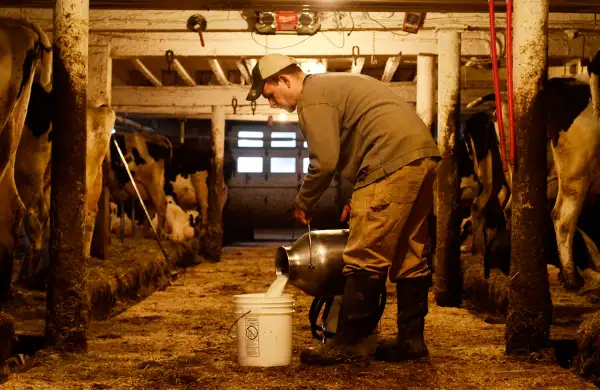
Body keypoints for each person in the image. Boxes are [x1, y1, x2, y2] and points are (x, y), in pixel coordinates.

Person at [246, 53, 441, 365]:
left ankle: (348, 344)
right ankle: (411, 342)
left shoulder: (311, 99)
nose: (272, 103)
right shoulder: (333, 87)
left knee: (365, 255)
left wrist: (304, 201)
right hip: (420, 157)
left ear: (283, 79)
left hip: (390, 159)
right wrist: (355, 196)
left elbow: (324, 163)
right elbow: (361, 141)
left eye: (270, 95)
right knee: (409, 255)